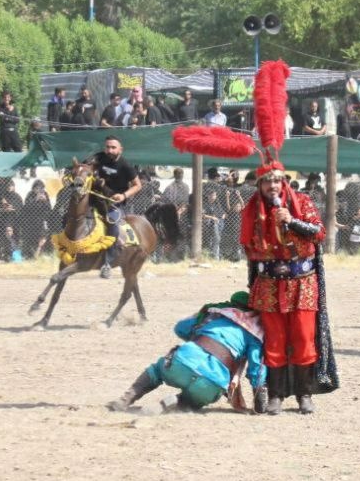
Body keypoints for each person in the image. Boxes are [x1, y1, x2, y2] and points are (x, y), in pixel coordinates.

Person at [241, 164, 336, 414]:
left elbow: (319, 232)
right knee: (274, 341)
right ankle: (276, 395)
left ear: (283, 182)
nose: (272, 186)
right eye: (266, 181)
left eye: (276, 181)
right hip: (268, 286)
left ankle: (305, 394)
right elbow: (249, 251)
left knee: (304, 339)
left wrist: (291, 221)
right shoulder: (252, 210)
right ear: (259, 185)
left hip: (302, 282)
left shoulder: (302, 202)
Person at [107, 291, 267, 413]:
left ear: (231, 304)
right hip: (213, 382)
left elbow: (180, 328)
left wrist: (200, 337)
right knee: (200, 398)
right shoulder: (254, 332)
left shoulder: (215, 314)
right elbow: (256, 369)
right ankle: (178, 401)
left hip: (182, 363)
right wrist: (259, 401)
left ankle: (125, 400)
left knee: (157, 370)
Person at [88, 136, 142, 279]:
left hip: (113, 203)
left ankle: (107, 264)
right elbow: (86, 167)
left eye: (113, 147)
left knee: (113, 226)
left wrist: (123, 196)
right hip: (95, 198)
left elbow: (138, 185)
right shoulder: (99, 158)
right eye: (107, 147)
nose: (110, 150)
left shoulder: (126, 166)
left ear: (120, 150)